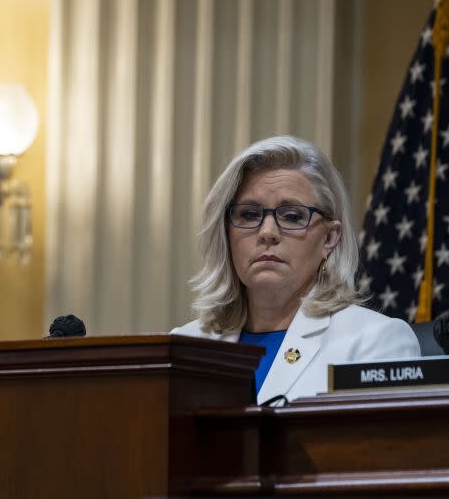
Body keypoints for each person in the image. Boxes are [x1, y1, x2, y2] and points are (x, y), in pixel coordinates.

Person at [171, 136, 419, 404]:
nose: (267, 232)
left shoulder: (374, 342)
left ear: (329, 239)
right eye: (249, 215)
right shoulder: (182, 347)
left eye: (292, 216)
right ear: (226, 233)